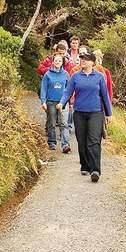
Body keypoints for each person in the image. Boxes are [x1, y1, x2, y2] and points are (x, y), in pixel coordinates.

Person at [62, 51, 112, 182]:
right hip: (79, 113)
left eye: (85, 59)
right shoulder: (76, 76)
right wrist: (61, 103)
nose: (82, 61)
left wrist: (109, 114)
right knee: (82, 140)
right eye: (81, 59)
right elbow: (68, 92)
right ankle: (85, 165)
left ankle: (95, 170)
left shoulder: (100, 77)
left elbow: (105, 96)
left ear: (92, 62)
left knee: (94, 141)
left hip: (96, 113)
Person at [38, 51, 71, 153]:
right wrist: (43, 101)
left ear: (62, 62)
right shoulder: (47, 74)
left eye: (59, 61)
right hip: (50, 101)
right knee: (51, 123)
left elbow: (68, 89)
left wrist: (67, 101)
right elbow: (43, 88)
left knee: (63, 123)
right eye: (56, 60)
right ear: (53, 62)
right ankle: (52, 142)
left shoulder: (66, 74)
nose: (57, 62)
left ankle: (65, 145)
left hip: (62, 102)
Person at [93, 48, 114, 139]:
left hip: (102, 98)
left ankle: (102, 129)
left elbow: (108, 88)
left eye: (99, 59)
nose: (98, 62)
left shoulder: (105, 71)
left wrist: (109, 101)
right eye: (96, 59)